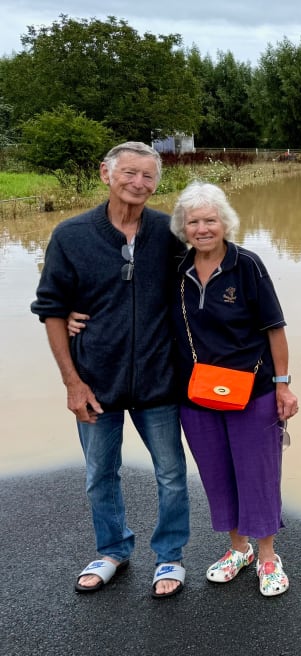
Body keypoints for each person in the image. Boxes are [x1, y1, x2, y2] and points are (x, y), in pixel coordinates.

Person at [31, 141, 190, 598]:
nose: (139, 183)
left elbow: (205, 276)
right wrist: (71, 382)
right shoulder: (71, 235)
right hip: (95, 381)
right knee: (100, 472)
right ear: (106, 174)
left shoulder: (169, 232)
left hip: (159, 381)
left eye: (149, 177)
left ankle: (170, 556)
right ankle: (112, 550)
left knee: (171, 474)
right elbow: (52, 308)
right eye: (130, 173)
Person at [169, 180, 299, 597]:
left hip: (253, 391)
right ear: (182, 227)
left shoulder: (248, 265)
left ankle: (266, 557)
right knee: (217, 473)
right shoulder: (177, 270)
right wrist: (78, 314)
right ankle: (237, 549)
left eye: (210, 220)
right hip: (197, 393)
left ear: (225, 223)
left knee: (257, 474)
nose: (202, 228)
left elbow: (274, 329)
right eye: (194, 221)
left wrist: (283, 386)